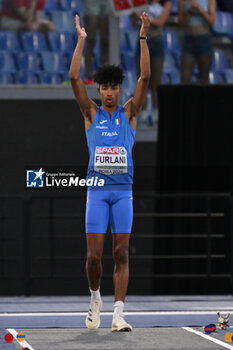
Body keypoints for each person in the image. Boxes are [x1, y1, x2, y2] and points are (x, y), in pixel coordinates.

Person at [69, 12, 150, 331]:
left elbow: (144, 78)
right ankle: (95, 299)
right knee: (93, 257)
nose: (110, 92)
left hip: (123, 193)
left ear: (118, 89)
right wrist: (81, 41)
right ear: (100, 90)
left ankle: (118, 313)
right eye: (104, 87)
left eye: (114, 87)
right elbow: (75, 78)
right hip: (97, 194)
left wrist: (143, 36)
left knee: (121, 252)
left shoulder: (129, 113)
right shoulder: (90, 113)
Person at [134, 0, 172, 127]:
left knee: (155, 82)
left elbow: (161, 21)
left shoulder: (166, 4)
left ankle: (156, 115)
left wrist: (145, 20)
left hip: (156, 42)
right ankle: (143, 114)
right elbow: (132, 13)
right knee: (142, 80)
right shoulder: (142, 2)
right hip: (142, 41)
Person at [178, 0, 216, 83]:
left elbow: (212, 21)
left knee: (204, 79)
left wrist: (199, 9)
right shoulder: (182, 1)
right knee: (184, 78)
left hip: (204, 39)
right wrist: (190, 10)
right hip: (188, 39)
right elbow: (180, 22)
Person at [83, 0, 110, 85]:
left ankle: (105, 75)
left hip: (107, 6)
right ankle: (89, 76)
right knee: (91, 41)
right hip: (91, 6)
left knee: (105, 42)